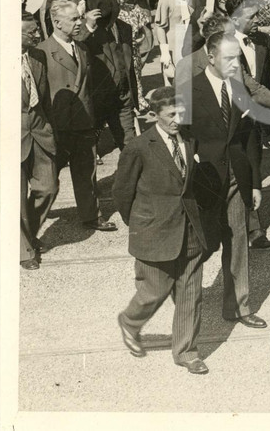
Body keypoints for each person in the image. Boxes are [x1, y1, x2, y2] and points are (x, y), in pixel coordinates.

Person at [114, 86, 210, 375]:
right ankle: (130, 321)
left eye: (181, 113)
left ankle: (187, 352)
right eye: (170, 115)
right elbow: (122, 193)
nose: (177, 120)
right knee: (153, 291)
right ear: (154, 115)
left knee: (190, 294)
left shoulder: (189, 139)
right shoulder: (139, 147)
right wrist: (142, 224)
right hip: (154, 232)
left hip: (189, 229)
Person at [182, 33, 267, 329]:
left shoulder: (239, 89)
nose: (235, 64)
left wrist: (255, 183)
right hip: (205, 180)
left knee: (239, 240)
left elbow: (250, 140)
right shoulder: (189, 91)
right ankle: (183, 293)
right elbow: (182, 138)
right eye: (229, 58)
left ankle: (238, 306)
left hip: (236, 178)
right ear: (210, 57)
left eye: (238, 58)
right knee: (202, 244)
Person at [35, 0, 117, 232]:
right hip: (57, 125)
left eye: (79, 18)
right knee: (47, 180)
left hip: (84, 121)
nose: (79, 23)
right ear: (57, 22)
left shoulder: (81, 48)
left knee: (86, 172)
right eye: (73, 19)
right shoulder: (41, 51)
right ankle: (28, 228)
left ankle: (92, 216)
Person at [21, 12, 57, 270]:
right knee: (14, 197)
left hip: (39, 132)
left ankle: (27, 234)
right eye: (31, 32)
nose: (37, 35)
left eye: (36, 30)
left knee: (48, 188)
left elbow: (43, 99)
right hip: (8, 138)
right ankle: (24, 250)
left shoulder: (37, 56)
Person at [84, 0, 138, 154]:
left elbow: (129, 61)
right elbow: (75, 48)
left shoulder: (124, 28)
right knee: (89, 149)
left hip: (122, 95)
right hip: (98, 98)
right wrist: (88, 27)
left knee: (130, 145)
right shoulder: (87, 30)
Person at [154, 0, 203, 85]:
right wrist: (164, 51)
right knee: (174, 79)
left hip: (191, 39)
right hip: (174, 43)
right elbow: (160, 27)